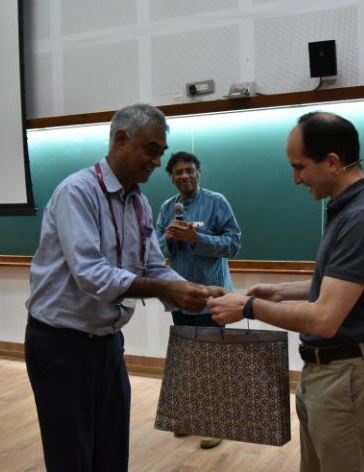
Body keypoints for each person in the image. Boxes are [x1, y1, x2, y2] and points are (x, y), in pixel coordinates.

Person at [25, 104, 225, 472]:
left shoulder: (140, 203)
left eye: (161, 152)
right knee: (71, 458)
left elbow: (153, 265)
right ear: (120, 139)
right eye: (151, 150)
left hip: (108, 343)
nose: (158, 162)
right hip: (61, 345)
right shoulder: (78, 192)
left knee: (112, 453)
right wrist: (169, 291)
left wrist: (193, 290)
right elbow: (92, 274)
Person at [208, 111, 364, 472]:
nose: (296, 179)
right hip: (332, 375)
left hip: (346, 379)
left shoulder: (363, 216)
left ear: (333, 162)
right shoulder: (351, 209)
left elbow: (325, 318)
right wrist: (278, 292)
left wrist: (249, 307)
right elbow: (342, 287)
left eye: (299, 167)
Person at [156, 151, 241, 449]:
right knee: (187, 359)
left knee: (212, 361)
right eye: (178, 172)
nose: (184, 176)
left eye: (189, 170)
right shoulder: (167, 208)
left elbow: (234, 243)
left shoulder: (217, 202)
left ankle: (214, 423)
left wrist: (198, 239)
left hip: (212, 297)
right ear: (171, 178)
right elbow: (153, 249)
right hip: (180, 296)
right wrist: (167, 239)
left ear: (198, 173)